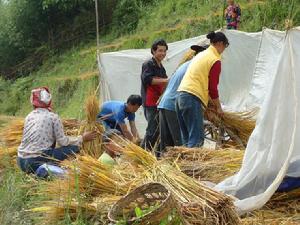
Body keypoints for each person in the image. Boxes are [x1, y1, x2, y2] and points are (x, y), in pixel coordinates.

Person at [17, 87, 97, 175]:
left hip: (21, 161)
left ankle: (42, 169)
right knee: (75, 148)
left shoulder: (29, 116)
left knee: (53, 152)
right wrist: (82, 138)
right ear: (49, 101)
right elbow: (63, 141)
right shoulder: (53, 117)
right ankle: (45, 170)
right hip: (35, 161)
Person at [176, 31, 229, 148]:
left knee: (187, 140)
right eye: (225, 47)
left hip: (180, 96)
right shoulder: (214, 59)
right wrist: (218, 107)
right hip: (191, 97)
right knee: (196, 140)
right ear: (220, 43)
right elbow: (212, 88)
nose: (224, 50)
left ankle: (184, 165)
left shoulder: (201, 55)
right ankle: (193, 166)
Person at [158, 44, 209, 154]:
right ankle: (185, 168)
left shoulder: (186, 64)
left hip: (165, 103)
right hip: (174, 104)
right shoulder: (197, 67)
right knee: (181, 144)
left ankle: (165, 168)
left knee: (167, 145)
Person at [140, 39, 169, 151]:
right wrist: (166, 81)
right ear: (153, 51)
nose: (163, 53)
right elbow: (148, 80)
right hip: (150, 102)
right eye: (160, 50)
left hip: (159, 101)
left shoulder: (161, 67)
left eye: (164, 51)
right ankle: (142, 153)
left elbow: (165, 82)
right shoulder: (148, 64)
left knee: (159, 130)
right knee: (152, 129)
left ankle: (155, 154)